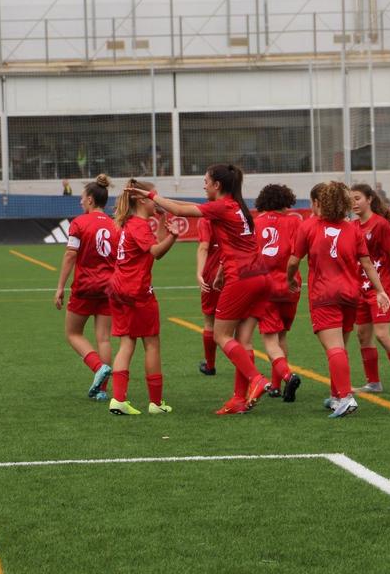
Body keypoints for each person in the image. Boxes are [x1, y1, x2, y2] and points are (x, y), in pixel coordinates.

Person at [127, 164, 273, 415]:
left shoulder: (222, 206)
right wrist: (220, 272)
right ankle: (238, 399)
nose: (203, 186)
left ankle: (256, 379)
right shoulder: (236, 206)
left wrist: (150, 195)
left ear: (217, 185)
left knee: (221, 335)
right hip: (259, 275)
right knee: (241, 340)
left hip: (242, 278)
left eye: (206, 181)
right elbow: (236, 243)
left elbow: (180, 210)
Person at [286, 182, 390, 419]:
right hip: (350, 295)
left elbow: (293, 261)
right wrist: (380, 290)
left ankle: (345, 397)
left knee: (334, 348)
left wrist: (290, 278)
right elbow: (367, 263)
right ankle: (336, 397)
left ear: (319, 202)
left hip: (324, 295)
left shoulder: (309, 226)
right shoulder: (353, 229)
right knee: (340, 347)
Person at [106, 178, 179, 415]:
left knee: (127, 343)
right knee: (152, 343)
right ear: (140, 199)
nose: (156, 200)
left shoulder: (130, 223)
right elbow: (156, 252)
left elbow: (152, 247)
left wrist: (162, 222)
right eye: (152, 196)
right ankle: (156, 403)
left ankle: (118, 399)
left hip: (118, 288)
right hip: (136, 291)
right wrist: (174, 237)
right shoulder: (138, 225)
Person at [54, 174, 117, 400]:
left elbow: (71, 254)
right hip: (109, 287)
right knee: (104, 338)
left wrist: (60, 287)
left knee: (73, 333)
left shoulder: (79, 222)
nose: (80, 201)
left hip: (85, 286)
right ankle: (102, 391)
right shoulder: (114, 224)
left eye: (82, 198)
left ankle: (98, 367)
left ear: (90, 199)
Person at [350, 183, 390, 394]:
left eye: (357, 198)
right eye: (351, 199)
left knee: (382, 334)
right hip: (361, 288)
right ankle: (373, 383)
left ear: (369, 199)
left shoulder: (380, 224)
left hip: (382, 289)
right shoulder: (352, 226)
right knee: (363, 335)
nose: (354, 203)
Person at [253, 184, 304, 401]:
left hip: (265, 287)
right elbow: (299, 253)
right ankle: (275, 386)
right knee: (282, 334)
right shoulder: (295, 221)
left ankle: (287, 376)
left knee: (270, 339)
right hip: (290, 286)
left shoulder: (256, 223)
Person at [196, 216, 222, 376]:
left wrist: (199, 273)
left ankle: (210, 365)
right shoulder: (236, 215)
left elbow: (204, 247)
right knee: (241, 325)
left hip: (212, 274)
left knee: (210, 322)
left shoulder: (205, 220)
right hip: (236, 273)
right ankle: (246, 369)